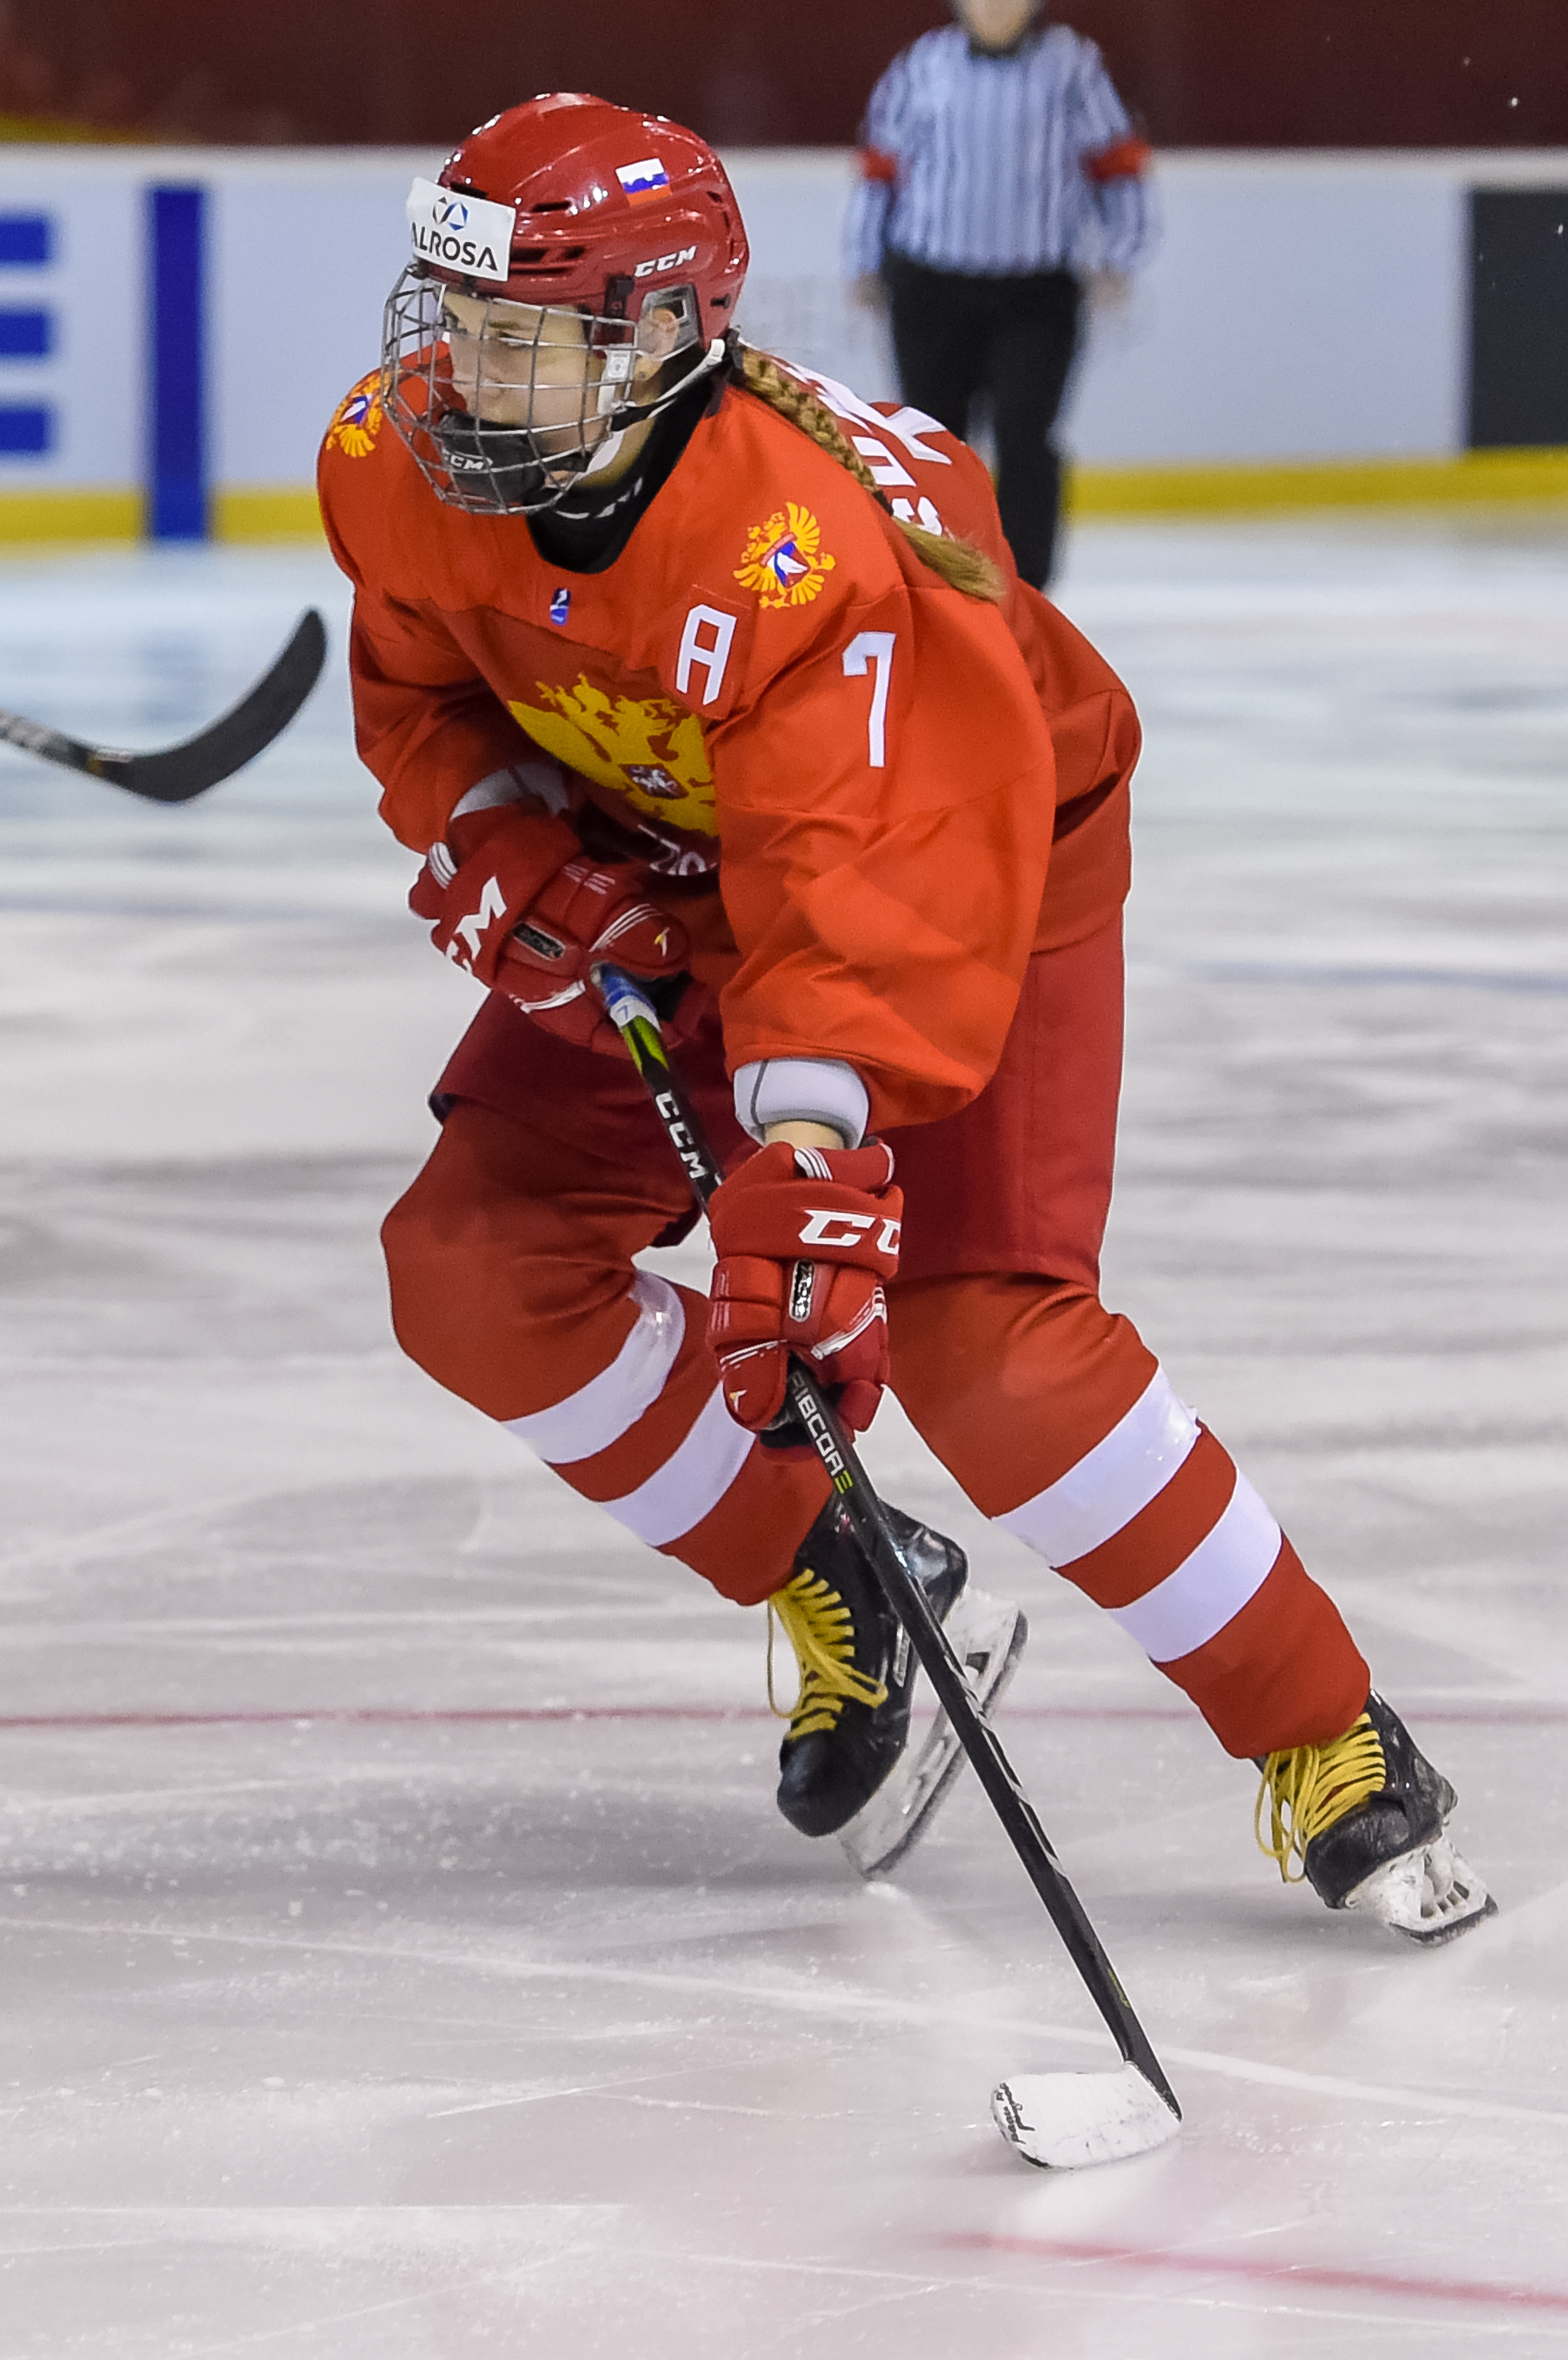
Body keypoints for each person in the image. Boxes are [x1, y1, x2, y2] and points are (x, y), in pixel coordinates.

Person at [316, 91, 1494, 1941]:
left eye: (516, 338)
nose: (458, 377)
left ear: (658, 332)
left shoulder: (825, 554)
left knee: (987, 1354)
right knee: (470, 1267)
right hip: (686, 857)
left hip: (970, 859)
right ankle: (844, 1566)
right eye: (451, 321)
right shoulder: (401, 458)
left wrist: (809, 1166)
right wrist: (509, 850)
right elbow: (426, 692)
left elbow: (872, 896)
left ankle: (1327, 1730)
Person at [844, 0, 1149, 590]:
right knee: (929, 438)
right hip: (931, 285)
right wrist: (863, 259)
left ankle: (1028, 588)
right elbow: (880, 169)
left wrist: (1121, 252)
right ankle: (933, 577)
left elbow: (1120, 164)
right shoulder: (922, 65)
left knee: (1026, 434)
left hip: (1036, 293)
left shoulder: (1073, 68)